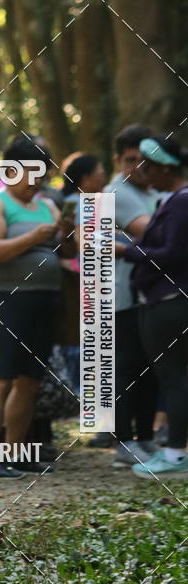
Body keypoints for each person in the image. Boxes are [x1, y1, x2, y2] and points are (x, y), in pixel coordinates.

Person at [0, 135, 76, 480]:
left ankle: (16, 453)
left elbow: (66, 255)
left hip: (44, 300)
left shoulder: (47, 205)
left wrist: (64, 236)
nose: (37, 183)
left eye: (43, 176)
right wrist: (33, 238)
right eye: (32, 175)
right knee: (0, 379)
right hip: (8, 298)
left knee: (29, 380)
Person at [115, 135, 188, 478]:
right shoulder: (170, 200)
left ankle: (174, 454)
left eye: (148, 166)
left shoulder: (180, 202)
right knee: (172, 377)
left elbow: (172, 255)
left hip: (170, 302)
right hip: (160, 301)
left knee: (174, 378)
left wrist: (124, 251)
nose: (143, 173)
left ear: (164, 168)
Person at [105, 125, 160, 468]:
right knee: (124, 370)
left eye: (145, 160)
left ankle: (146, 437)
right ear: (118, 160)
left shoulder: (152, 191)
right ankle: (124, 442)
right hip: (121, 295)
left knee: (149, 368)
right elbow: (152, 231)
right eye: (130, 160)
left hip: (146, 295)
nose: (138, 167)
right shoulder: (118, 192)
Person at [58, 153, 107, 396]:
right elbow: (83, 243)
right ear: (85, 178)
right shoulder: (80, 203)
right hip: (80, 280)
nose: (104, 177)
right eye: (100, 173)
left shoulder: (68, 200)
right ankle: (79, 390)